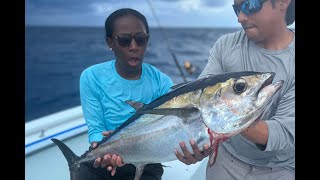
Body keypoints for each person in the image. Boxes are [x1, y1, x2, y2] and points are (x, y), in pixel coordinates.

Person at [175, 0, 295, 179]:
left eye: (250, 5)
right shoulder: (226, 45)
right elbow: (199, 98)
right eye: (236, 9)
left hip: (279, 169)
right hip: (226, 160)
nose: (240, 17)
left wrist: (221, 120)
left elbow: (283, 133)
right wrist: (201, 144)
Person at [79, 8, 174, 180]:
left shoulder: (163, 83)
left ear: (147, 40)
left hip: (147, 159)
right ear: (110, 42)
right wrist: (102, 146)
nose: (134, 47)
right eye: (124, 40)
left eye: (140, 39)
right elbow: (95, 129)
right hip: (104, 155)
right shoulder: (91, 77)